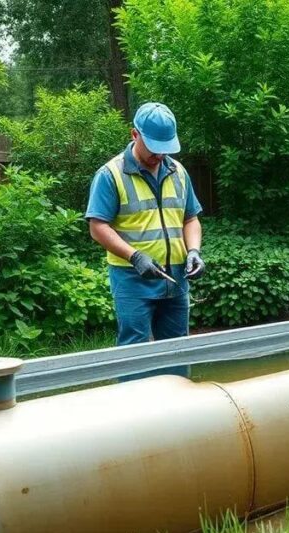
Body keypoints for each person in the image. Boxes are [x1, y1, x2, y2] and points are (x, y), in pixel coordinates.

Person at [85, 102, 205, 377]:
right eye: (153, 147)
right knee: (134, 353)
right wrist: (135, 256)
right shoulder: (110, 175)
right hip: (131, 277)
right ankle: (133, 415)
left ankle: (175, 412)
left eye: (166, 148)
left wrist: (194, 251)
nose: (160, 155)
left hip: (176, 276)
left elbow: (191, 218)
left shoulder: (179, 172)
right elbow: (98, 226)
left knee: (177, 349)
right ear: (134, 135)